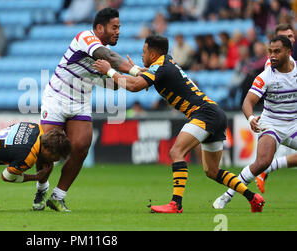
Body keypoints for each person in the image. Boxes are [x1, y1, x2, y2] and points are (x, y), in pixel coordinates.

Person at [93, 35, 265, 213]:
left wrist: (110, 71)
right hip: (215, 113)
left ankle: (176, 204)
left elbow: (136, 85)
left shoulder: (160, 67)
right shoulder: (166, 62)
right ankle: (253, 198)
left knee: (176, 152)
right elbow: (146, 74)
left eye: (144, 52)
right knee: (212, 171)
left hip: (204, 114)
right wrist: (132, 69)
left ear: (153, 54)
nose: (142, 55)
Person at [34, 7, 144, 212]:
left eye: (119, 27)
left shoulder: (102, 62)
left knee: (82, 146)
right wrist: (135, 69)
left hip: (80, 102)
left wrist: (142, 80)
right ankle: (41, 187)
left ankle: (58, 196)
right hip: (56, 98)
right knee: (46, 150)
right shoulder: (85, 38)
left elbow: (113, 81)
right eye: (114, 27)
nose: (118, 31)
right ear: (100, 27)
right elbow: (107, 55)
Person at [213, 36, 297, 209]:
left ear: (289, 53)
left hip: (294, 123)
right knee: (262, 162)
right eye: (270, 51)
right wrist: (251, 118)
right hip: (272, 123)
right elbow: (247, 102)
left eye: (277, 51)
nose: (272, 55)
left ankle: (272, 166)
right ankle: (227, 196)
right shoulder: (266, 76)